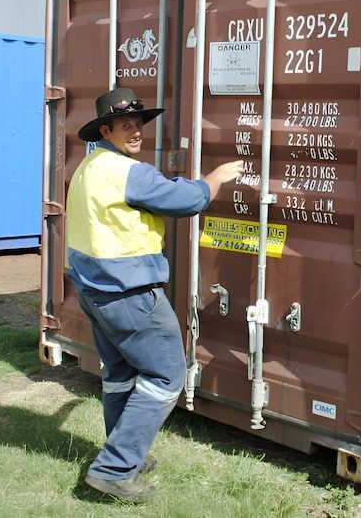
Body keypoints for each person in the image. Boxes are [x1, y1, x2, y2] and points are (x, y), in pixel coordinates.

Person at [66, 87, 243, 503]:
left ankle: (126, 453)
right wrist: (214, 179)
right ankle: (113, 469)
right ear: (104, 129)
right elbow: (187, 200)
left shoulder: (90, 166)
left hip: (94, 289)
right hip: (130, 292)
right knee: (167, 374)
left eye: (139, 124)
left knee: (120, 375)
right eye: (125, 125)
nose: (135, 131)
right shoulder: (129, 172)